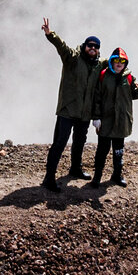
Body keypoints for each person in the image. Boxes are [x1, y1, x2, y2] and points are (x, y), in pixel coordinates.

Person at [40, 17, 102, 192]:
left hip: (84, 113)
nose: (93, 48)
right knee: (60, 143)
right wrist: (50, 34)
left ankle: (75, 168)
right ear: (84, 46)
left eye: (96, 47)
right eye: (90, 45)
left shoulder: (98, 65)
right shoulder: (73, 58)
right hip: (68, 109)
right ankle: (48, 178)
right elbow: (63, 48)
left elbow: (116, 65)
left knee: (80, 141)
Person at [90, 47, 138, 188]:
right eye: (116, 60)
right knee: (102, 150)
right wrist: (96, 117)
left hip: (122, 121)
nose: (119, 63)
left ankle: (117, 175)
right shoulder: (103, 76)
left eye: (122, 61)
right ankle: (97, 177)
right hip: (106, 121)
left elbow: (135, 94)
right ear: (112, 62)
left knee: (118, 151)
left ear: (126, 63)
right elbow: (97, 98)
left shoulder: (129, 78)